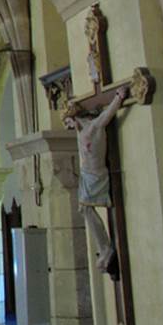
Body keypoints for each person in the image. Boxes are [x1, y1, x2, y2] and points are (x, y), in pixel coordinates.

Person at [65, 86, 128, 276]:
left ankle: (106, 249)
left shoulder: (95, 127)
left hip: (96, 175)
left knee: (85, 208)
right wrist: (71, 108)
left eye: (68, 121)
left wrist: (118, 97)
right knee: (84, 209)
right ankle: (104, 248)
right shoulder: (81, 130)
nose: (68, 125)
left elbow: (108, 114)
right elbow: (74, 116)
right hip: (86, 174)